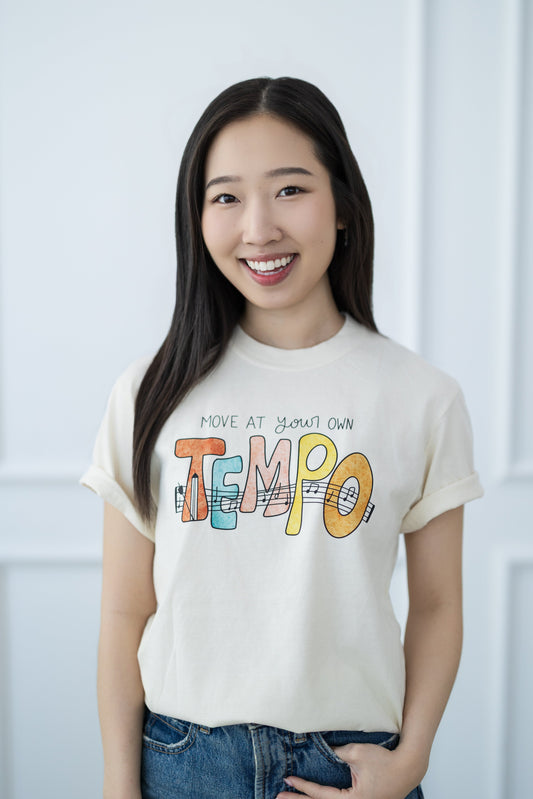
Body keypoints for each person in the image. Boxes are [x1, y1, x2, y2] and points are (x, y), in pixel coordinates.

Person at [81, 76, 483, 799]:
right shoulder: (147, 394)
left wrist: (411, 758)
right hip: (180, 761)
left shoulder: (421, 396)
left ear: (343, 208)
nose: (258, 228)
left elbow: (436, 605)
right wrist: (118, 783)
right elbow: (123, 610)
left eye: (290, 190)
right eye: (226, 196)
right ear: (196, 219)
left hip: (352, 767)